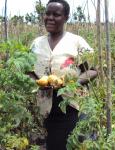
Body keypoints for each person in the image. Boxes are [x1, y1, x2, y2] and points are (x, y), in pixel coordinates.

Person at [30, 0, 97, 149]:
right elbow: (29, 71)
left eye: (56, 14)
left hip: (74, 103)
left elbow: (92, 70)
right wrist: (38, 82)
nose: (50, 17)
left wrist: (73, 83)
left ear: (66, 17)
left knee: (77, 141)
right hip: (46, 104)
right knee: (55, 143)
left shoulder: (76, 42)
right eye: (47, 13)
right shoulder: (36, 44)